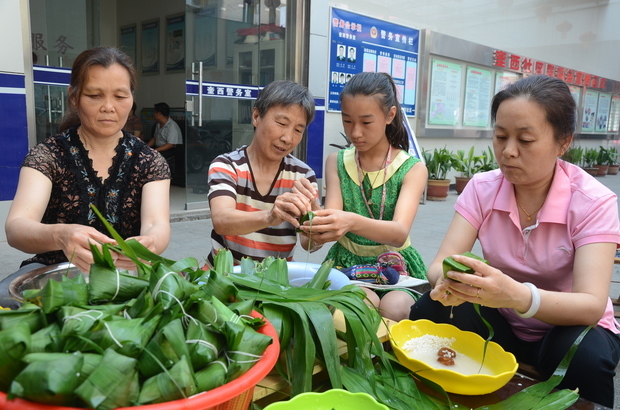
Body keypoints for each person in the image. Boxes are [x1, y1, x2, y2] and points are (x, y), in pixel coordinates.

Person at [409, 75, 620, 407]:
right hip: (501, 320)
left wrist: (515, 295)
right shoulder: (482, 188)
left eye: (525, 139)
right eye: (500, 137)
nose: (508, 152)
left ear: (563, 142)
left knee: (585, 355)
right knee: (429, 307)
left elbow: (591, 305)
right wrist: (453, 283)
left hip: (564, 327)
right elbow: (439, 265)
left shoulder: (593, 202)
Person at [3, 46, 172, 308]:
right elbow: (17, 228)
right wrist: (61, 235)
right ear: (74, 98)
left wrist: (149, 243)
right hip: (55, 275)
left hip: (126, 276)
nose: (109, 107)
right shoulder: (47, 156)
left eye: (120, 96)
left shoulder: (150, 161)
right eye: (95, 95)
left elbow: (157, 225)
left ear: (131, 99)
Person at [296, 72, 428, 322]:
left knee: (395, 307)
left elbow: (399, 233)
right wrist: (312, 212)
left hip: (395, 264)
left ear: (390, 115)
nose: (355, 132)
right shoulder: (337, 161)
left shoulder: (412, 168)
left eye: (366, 122)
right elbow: (318, 238)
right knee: (359, 304)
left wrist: (350, 221)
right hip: (346, 263)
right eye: (347, 121)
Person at [207, 80, 319, 264]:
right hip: (224, 279)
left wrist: (317, 220)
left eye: (298, 130)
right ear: (256, 116)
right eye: (281, 123)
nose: (287, 138)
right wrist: (270, 216)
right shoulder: (227, 165)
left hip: (274, 283)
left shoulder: (303, 176)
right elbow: (221, 220)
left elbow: (309, 244)